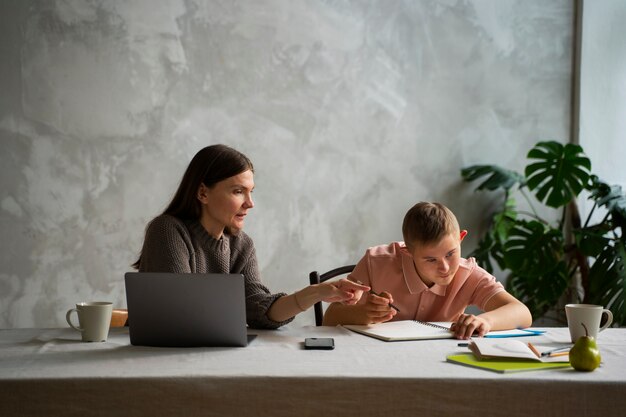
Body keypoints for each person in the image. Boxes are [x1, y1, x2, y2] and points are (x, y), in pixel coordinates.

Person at [132, 144, 369, 329]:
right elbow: (180, 313)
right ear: (203, 192)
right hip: (156, 357)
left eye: (251, 192)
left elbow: (258, 310)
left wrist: (318, 292)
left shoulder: (242, 244)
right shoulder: (167, 230)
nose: (250, 203)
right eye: (238, 191)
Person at [322, 201, 532, 339]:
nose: (445, 267)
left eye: (451, 253)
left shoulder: (468, 274)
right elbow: (329, 318)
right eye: (431, 259)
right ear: (408, 252)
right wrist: (362, 313)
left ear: (461, 239)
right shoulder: (375, 263)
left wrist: (485, 320)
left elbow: (522, 313)